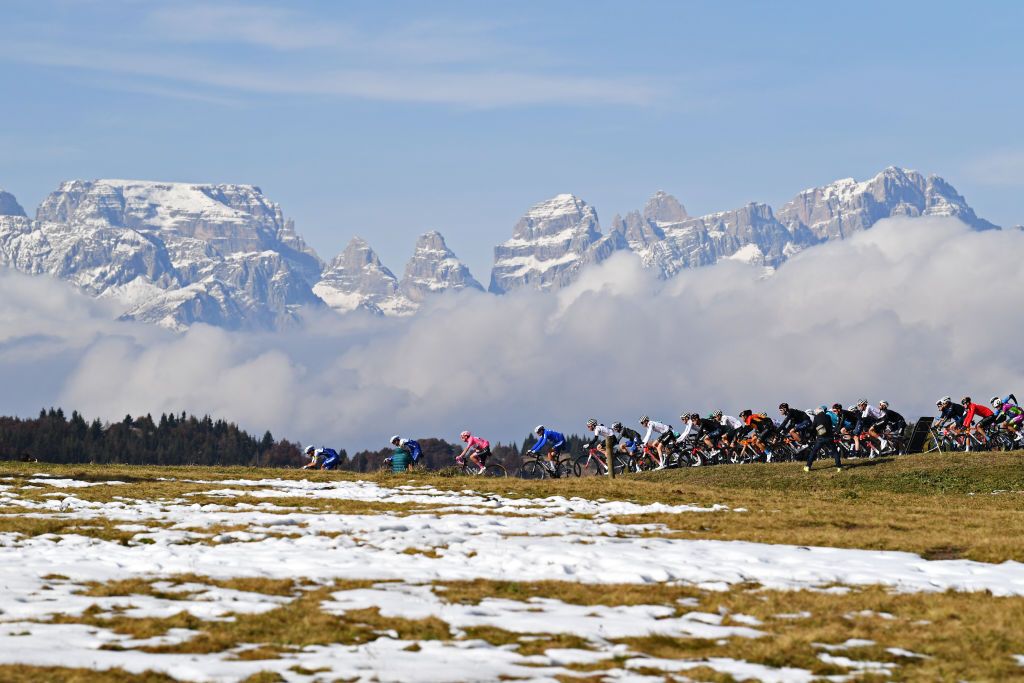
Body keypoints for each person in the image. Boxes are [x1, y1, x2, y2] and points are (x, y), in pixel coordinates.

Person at [805, 406, 841, 472]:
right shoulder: (828, 417)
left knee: (814, 452)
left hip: (820, 438)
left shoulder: (816, 417)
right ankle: (839, 467)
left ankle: (807, 466)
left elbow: (813, 427)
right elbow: (830, 426)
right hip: (829, 437)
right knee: (835, 452)